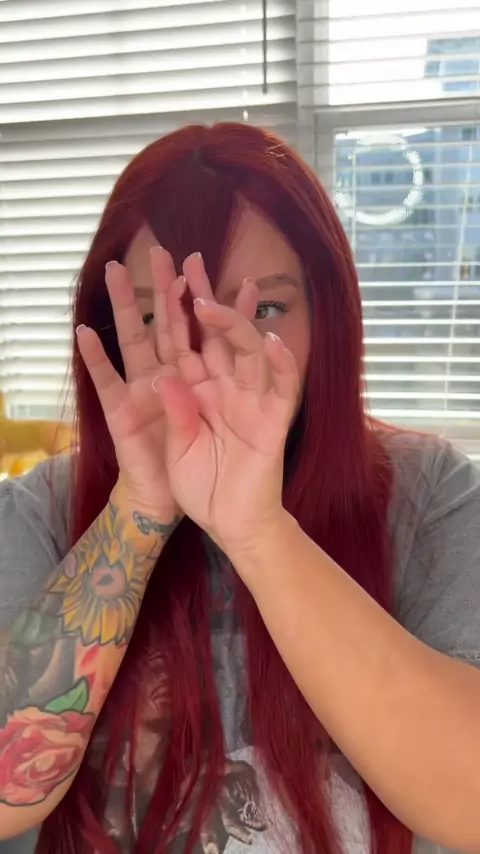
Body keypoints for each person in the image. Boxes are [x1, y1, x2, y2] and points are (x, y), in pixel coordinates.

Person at [0, 123, 479, 854]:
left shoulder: (431, 494)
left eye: (264, 311)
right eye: (159, 318)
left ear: (328, 315)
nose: (207, 357)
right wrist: (138, 508)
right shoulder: (41, 510)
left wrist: (259, 532)